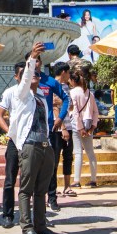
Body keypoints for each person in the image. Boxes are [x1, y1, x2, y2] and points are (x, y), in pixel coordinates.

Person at [10, 43, 62, 234]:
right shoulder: (21, 94)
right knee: (26, 189)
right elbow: (26, 77)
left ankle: (40, 225)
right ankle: (27, 227)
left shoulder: (40, 95)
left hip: (44, 145)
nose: (35, 76)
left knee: (42, 189)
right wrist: (32, 57)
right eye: (31, 74)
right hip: (30, 144)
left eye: (38, 75)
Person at [0, 60, 27, 229]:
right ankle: (7, 214)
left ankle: (26, 215)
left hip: (30, 141)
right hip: (15, 142)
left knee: (28, 180)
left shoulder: (35, 92)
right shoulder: (10, 92)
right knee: (10, 179)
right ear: (16, 76)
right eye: (22, 74)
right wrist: (10, 132)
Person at [38, 59, 70, 212]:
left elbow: (66, 99)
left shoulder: (49, 81)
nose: (35, 64)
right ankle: (36, 199)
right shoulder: (25, 82)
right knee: (33, 166)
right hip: (31, 130)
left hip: (49, 128)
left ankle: (52, 197)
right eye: (32, 61)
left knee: (51, 164)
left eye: (38, 61)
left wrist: (60, 118)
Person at [69, 70, 98, 188]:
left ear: (72, 80)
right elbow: (95, 112)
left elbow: (74, 112)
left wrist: (80, 128)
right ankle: (93, 180)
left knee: (78, 152)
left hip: (76, 126)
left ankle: (76, 180)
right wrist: (92, 127)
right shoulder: (90, 93)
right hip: (88, 125)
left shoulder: (72, 93)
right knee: (90, 152)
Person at [49, 62, 75, 198]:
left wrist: (62, 102)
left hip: (69, 125)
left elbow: (70, 106)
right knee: (54, 157)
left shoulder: (65, 87)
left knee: (68, 156)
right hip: (57, 127)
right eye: (69, 72)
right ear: (64, 72)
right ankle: (52, 187)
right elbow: (54, 106)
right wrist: (62, 127)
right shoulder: (52, 85)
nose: (70, 75)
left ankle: (67, 186)